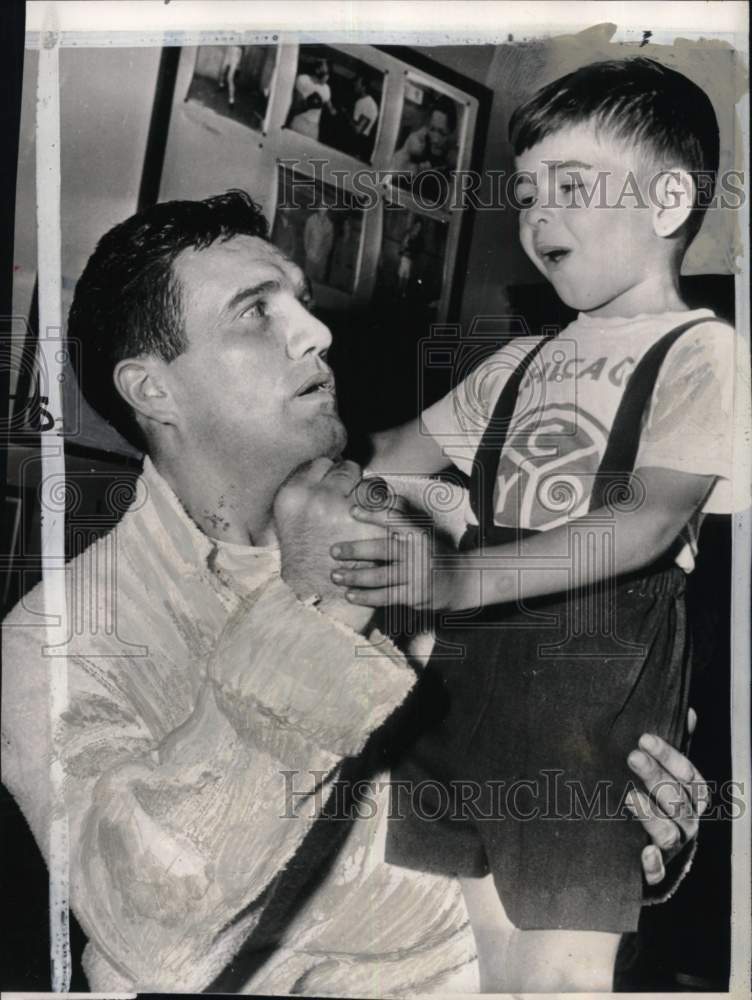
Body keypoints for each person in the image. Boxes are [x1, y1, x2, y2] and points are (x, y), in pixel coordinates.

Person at [2, 191, 708, 995]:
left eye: (299, 301)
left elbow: (558, 791)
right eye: (255, 313)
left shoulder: (453, 534)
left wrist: (641, 839)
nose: (318, 331)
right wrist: (317, 607)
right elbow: (152, 930)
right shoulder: (56, 643)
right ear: (152, 388)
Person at [330, 58, 737, 992]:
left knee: (557, 969)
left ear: (668, 200)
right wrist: (308, 477)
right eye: (524, 193)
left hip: (590, 696)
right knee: (469, 953)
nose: (537, 214)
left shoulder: (703, 352)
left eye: (571, 187)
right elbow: (396, 450)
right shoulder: (518, 358)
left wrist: (463, 577)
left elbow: (646, 519)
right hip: (465, 684)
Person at [390, 96, 458, 180]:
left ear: (450, 133)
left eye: (442, 133)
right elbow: (388, 170)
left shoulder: (453, 154)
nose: (435, 139)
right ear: (427, 125)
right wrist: (407, 149)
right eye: (432, 129)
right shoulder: (418, 140)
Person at [289, 58, 334, 141]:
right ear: (317, 70)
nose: (327, 77)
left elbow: (332, 110)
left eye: (329, 73)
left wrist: (337, 112)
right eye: (325, 73)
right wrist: (308, 103)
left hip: (313, 127)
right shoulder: (303, 79)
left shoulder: (326, 89)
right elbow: (294, 106)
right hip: (300, 121)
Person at [349, 75, 379, 159]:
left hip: (359, 144)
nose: (355, 84)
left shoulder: (370, 105)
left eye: (357, 83)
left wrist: (346, 116)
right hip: (354, 140)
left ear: (363, 87)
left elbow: (358, 129)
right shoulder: (359, 101)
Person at [303, 205, 334, 283]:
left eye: (325, 207)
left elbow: (329, 243)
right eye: (322, 207)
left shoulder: (329, 225)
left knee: (319, 282)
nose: (323, 209)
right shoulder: (311, 220)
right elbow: (306, 237)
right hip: (310, 257)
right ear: (318, 207)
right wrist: (308, 252)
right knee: (308, 281)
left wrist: (322, 255)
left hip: (322, 260)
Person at [397, 215, 424, 298]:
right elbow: (402, 246)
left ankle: (403, 293)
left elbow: (418, 251)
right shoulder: (408, 234)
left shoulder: (419, 239)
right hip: (405, 258)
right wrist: (404, 251)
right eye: (417, 225)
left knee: (407, 277)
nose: (418, 228)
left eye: (420, 227)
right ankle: (398, 292)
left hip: (411, 260)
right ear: (414, 225)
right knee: (401, 276)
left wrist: (413, 255)